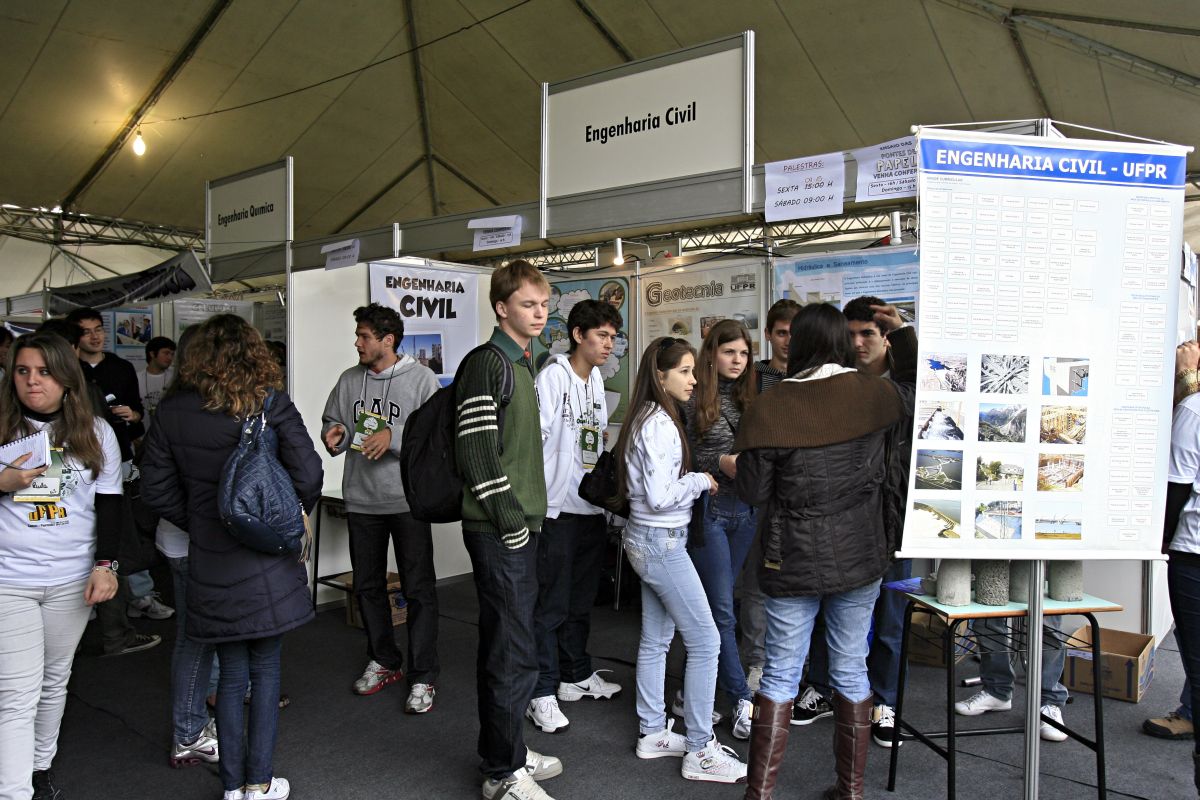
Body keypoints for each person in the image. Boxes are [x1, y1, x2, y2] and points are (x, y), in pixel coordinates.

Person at [734, 303, 911, 800]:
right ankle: (851, 792)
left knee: (781, 671)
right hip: (862, 554)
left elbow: (754, 491)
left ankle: (760, 794)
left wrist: (736, 463)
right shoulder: (876, 395)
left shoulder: (769, 406)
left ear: (801, 344)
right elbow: (921, 392)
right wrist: (903, 333)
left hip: (790, 556)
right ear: (842, 342)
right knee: (851, 667)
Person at [141, 314, 322, 800]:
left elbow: (154, 489)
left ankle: (232, 786)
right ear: (252, 352)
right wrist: (273, 520)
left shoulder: (172, 411)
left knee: (233, 669)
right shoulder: (270, 404)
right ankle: (259, 784)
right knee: (264, 672)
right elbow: (309, 474)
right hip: (268, 562)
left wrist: (207, 519)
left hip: (209, 561)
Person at [614, 336, 746, 784]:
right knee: (706, 642)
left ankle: (653, 731)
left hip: (649, 539)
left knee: (656, 638)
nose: (694, 379)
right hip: (661, 542)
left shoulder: (650, 417)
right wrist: (700, 479)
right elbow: (660, 494)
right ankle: (699, 748)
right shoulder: (658, 424)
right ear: (661, 375)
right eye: (686, 371)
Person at [454, 260, 561, 800]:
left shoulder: (524, 362)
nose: (539, 313)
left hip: (518, 528)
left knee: (514, 645)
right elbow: (475, 453)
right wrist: (511, 522)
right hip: (500, 531)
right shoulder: (487, 362)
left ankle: (509, 752)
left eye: (544, 304)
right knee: (509, 650)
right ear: (501, 308)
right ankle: (501, 772)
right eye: (527, 303)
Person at [0, 332, 123, 800]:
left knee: (54, 681)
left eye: (45, 372)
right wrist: (2, 481)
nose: (33, 382)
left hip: (72, 579)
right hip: (9, 579)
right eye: (23, 371)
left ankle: (38, 768)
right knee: (17, 693)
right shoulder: (3, 426)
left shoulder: (96, 432)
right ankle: (14, 792)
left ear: (68, 379)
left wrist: (105, 565)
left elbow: (110, 506)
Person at [795, 296, 918, 747]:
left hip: (897, 520)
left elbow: (919, 386)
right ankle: (824, 690)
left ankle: (884, 702)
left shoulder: (903, 390)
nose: (859, 342)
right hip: (843, 521)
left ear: (887, 338)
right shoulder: (835, 385)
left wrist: (904, 333)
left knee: (891, 617)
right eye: (850, 335)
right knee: (833, 610)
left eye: (869, 333)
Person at [321, 303, 441, 712]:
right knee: (368, 586)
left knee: (418, 589)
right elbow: (332, 420)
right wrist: (332, 434)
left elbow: (435, 438)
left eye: (364, 337)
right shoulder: (349, 379)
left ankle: (424, 676)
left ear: (387, 340)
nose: (357, 343)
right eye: (358, 336)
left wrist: (395, 436)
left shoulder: (422, 379)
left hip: (407, 501)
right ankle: (384, 660)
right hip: (361, 499)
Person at [526, 299, 624, 735]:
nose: (609, 344)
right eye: (601, 335)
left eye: (613, 336)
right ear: (579, 334)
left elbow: (594, 438)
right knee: (550, 604)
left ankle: (574, 674)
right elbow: (535, 441)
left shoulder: (598, 379)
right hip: (555, 509)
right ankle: (541, 691)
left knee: (581, 600)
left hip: (589, 506)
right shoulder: (552, 377)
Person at [684, 319, 757, 740]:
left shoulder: (752, 398)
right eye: (730, 351)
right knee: (722, 609)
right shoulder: (693, 398)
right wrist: (719, 463)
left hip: (745, 510)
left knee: (724, 605)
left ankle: (701, 687)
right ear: (710, 353)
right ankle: (741, 696)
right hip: (708, 508)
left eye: (744, 353)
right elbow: (680, 457)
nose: (737, 360)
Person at [739, 299, 801, 694]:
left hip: (799, 491)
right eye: (781, 333)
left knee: (797, 584)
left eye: (795, 334)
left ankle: (796, 666)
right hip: (759, 491)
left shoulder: (810, 378)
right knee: (756, 583)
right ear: (768, 334)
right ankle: (757, 663)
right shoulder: (753, 376)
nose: (788, 341)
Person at [136, 336, 176, 419]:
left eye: (172, 354)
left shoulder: (176, 377)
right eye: (166, 353)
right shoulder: (137, 378)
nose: (170, 358)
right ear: (152, 354)